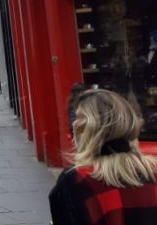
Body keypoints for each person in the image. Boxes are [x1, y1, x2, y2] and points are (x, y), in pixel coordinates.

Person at [49, 88, 157, 225]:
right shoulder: (152, 172)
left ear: (89, 127)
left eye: (78, 117)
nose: (74, 123)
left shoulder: (76, 181)